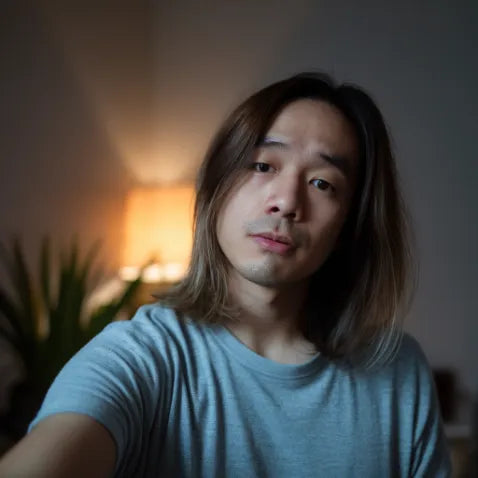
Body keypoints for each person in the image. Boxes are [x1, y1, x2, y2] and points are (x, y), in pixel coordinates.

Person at [0, 72, 451, 477]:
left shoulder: (398, 372)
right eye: (262, 166)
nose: (286, 202)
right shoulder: (143, 355)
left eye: (322, 183)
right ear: (216, 188)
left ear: (349, 227)